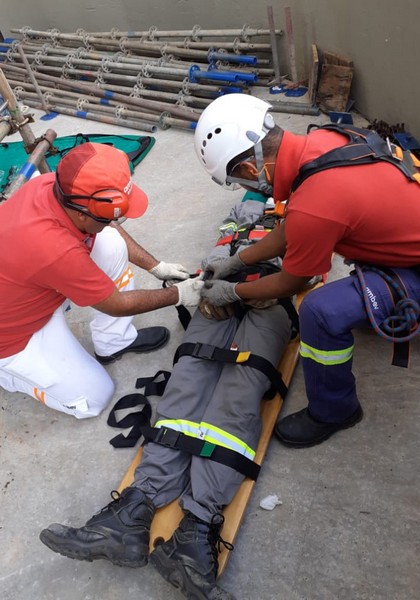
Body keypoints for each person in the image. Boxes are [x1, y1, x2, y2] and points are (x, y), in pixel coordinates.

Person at [39, 194, 294, 600]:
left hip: (273, 294)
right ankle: (132, 513)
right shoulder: (243, 213)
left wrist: (270, 286)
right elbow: (223, 246)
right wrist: (210, 283)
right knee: (192, 371)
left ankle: (195, 528)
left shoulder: (312, 210)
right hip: (221, 287)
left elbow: (308, 271)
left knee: (242, 385)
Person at [195, 93, 420, 448]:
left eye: (239, 181)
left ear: (252, 170)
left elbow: (293, 280)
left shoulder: (317, 203)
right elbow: (292, 228)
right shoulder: (323, 142)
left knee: (319, 312)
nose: (244, 188)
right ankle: (388, 307)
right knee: (347, 291)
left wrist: (234, 291)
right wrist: (239, 261)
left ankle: (334, 410)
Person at [0, 142, 204, 419]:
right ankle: (9, 374)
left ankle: (113, 342)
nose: (112, 222)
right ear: (83, 213)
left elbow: (109, 223)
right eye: (106, 217)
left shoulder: (56, 187)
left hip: (33, 290)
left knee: (109, 241)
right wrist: (179, 295)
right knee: (93, 398)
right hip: (14, 337)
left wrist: (157, 267)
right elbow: (116, 304)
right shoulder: (54, 248)